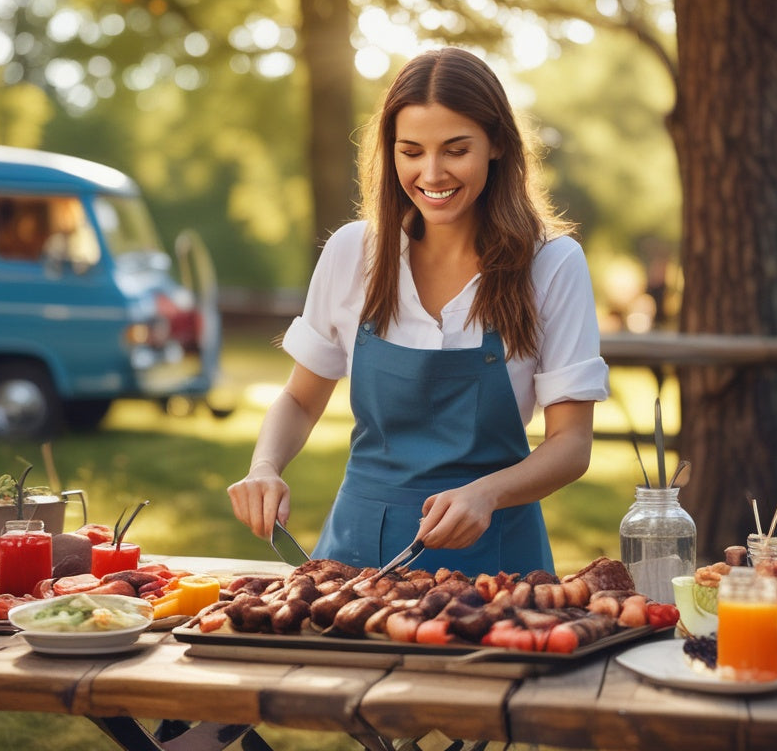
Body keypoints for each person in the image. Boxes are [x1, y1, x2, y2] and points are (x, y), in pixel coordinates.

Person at [228, 47, 609, 576]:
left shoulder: (550, 263)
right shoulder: (352, 252)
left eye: (456, 150)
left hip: (496, 559)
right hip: (355, 555)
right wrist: (265, 466)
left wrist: (488, 494)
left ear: (497, 144)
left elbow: (572, 443)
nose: (432, 173)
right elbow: (299, 397)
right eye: (411, 151)